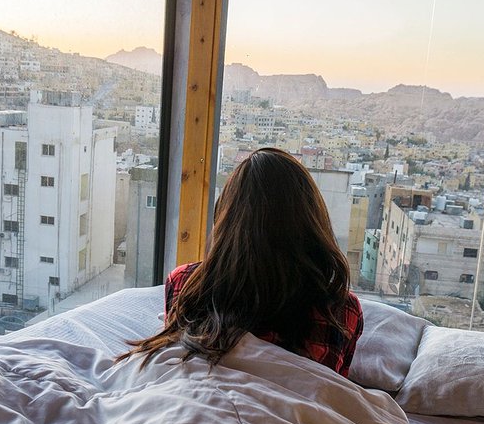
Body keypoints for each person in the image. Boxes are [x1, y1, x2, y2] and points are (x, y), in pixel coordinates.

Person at [118, 148, 363, 377]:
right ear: (312, 222)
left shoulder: (185, 282)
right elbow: (335, 395)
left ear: (226, 218)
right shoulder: (341, 309)